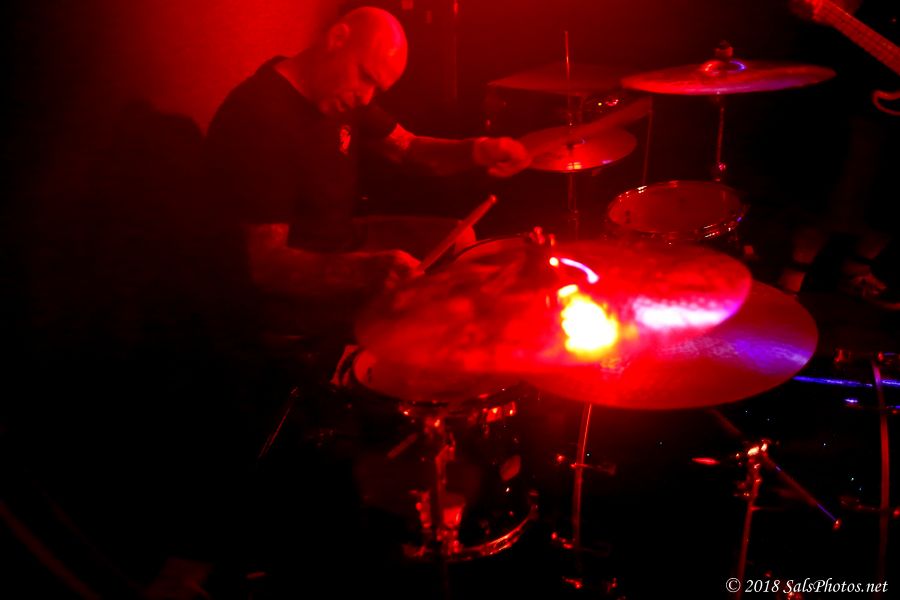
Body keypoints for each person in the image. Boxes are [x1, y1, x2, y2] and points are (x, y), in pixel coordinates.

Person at [204, 6, 531, 345]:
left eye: (377, 88)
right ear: (337, 39)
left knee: (461, 241)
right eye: (365, 77)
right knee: (438, 318)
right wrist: (365, 271)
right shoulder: (260, 117)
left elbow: (408, 148)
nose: (366, 96)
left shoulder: (337, 92)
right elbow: (264, 266)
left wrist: (479, 150)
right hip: (290, 293)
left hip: (342, 241)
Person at [779, 0, 899, 308]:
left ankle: (857, 271)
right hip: (856, 88)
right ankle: (790, 283)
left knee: (893, 202)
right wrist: (827, 10)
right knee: (837, 193)